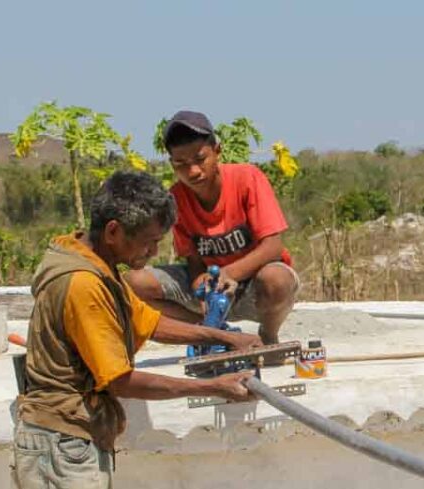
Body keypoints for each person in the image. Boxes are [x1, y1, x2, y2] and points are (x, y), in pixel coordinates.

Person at [13, 170, 262, 489]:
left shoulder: (93, 263)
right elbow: (120, 379)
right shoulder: (83, 284)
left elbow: (144, 320)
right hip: (62, 443)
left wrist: (221, 338)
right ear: (113, 232)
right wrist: (213, 386)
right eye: (147, 243)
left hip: (62, 440)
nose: (152, 254)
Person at [126, 110, 299, 346]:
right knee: (133, 283)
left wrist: (229, 274)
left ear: (217, 151)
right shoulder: (176, 197)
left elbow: (273, 246)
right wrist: (199, 281)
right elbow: (192, 256)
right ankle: (212, 331)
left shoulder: (247, 178)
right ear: (172, 164)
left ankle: (267, 337)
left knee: (276, 279)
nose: (193, 171)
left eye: (200, 159)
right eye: (181, 164)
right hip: (211, 290)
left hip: (252, 287)